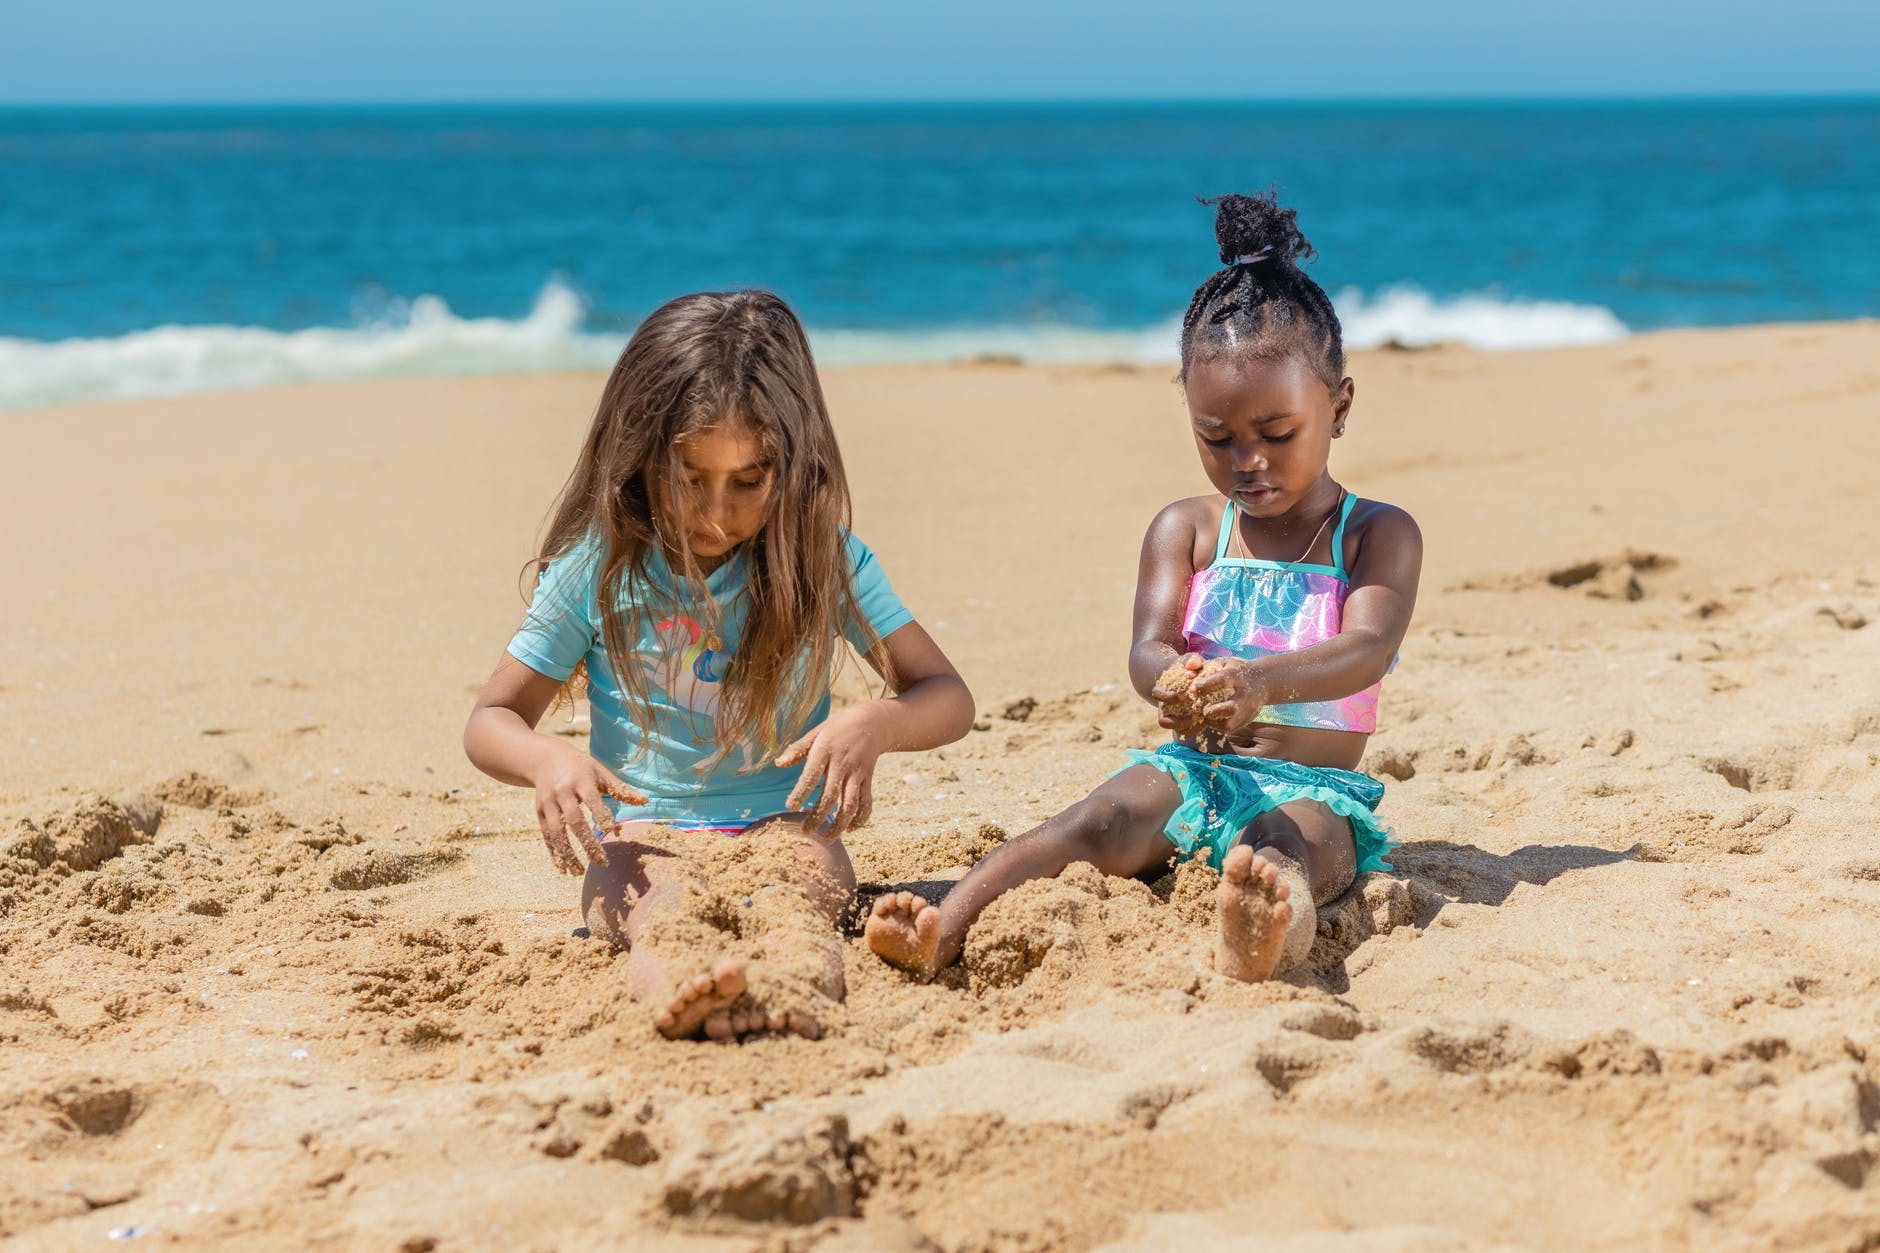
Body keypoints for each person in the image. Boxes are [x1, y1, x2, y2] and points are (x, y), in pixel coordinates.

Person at [866, 192, 1422, 983]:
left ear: (1338, 408)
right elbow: (1146, 646)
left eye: (1276, 434)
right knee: (1093, 820)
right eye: (1217, 437)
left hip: (1314, 785)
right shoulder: (1187, 529)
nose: (1247, 460)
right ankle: (943, 922)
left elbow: (1367, 648)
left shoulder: (1375, 533)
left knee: (1291, 849)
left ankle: (1263, 934)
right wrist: (1173, 677)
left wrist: (1256, 680)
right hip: (1194, 770)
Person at [465, 290, 975, 1040]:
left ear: (792, 461)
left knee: (793, 904)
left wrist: (877, 722)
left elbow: (948, 696)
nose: (715, 512)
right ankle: (689, 992)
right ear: (639, 455)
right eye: (689, 476)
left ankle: (796, 991)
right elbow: (491, 719)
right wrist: (546, 759)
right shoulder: (600, 567)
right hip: (643, 834)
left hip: (787, 824)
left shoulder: (820, 560)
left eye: (749, 480)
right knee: (660, 910)